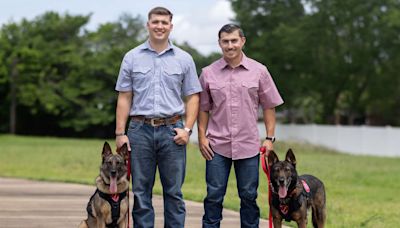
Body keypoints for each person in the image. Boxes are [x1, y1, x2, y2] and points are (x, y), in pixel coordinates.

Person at [114, 6, 202, 228]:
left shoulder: (184, 59)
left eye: (164, 23)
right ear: (148, 24)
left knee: (173, 193)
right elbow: (124, 97)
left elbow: (193, 97)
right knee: (141, 193)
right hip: (138, 131)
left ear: (170, 27)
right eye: (155, 22)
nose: (159, 26)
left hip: (172, 131)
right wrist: (120, 133)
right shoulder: (132, 57)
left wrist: (188, 130)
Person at [197, 24, 284, 227]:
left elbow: (269, 106)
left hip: (249, 146)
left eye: (234, 40)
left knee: (248, 196)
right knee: (214, 196)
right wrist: (202, 136)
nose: (230, 45)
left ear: (242, 41)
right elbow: (203, 109)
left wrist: (270, 138)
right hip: (217, 146)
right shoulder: (208, 73)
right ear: (220, 43)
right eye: (225, 41)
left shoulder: (259, 71)